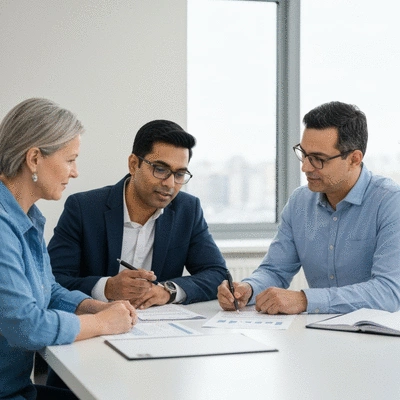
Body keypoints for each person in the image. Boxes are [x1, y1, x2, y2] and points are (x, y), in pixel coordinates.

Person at [0, 98, 137, 400]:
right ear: (34, 159)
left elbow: (49, 289)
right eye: (70, 159)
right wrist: (101, 323)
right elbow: (26, 327)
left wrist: (95, 307)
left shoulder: (27, 217)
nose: (75, 172)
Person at [218, 101, 400, 315]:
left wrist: (305, 300)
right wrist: (247, 289)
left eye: (318, 159)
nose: (305, 167)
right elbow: (275, 270)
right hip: (319, 333)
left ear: (354, 159)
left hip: (381, 339)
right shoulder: (300, 203)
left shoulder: (390, 203)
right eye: (304, 154)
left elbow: (388, 293)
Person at [48, 119, 227, 309]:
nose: (170, 183)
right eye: (160, 169)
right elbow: (52, 280)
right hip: (96, 325)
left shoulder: (187, 210)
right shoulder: (84, 208)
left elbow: (217, 273)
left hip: (158, 329)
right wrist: (107, 287)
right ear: (133, 164)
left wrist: (168, 291)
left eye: (179, 174)